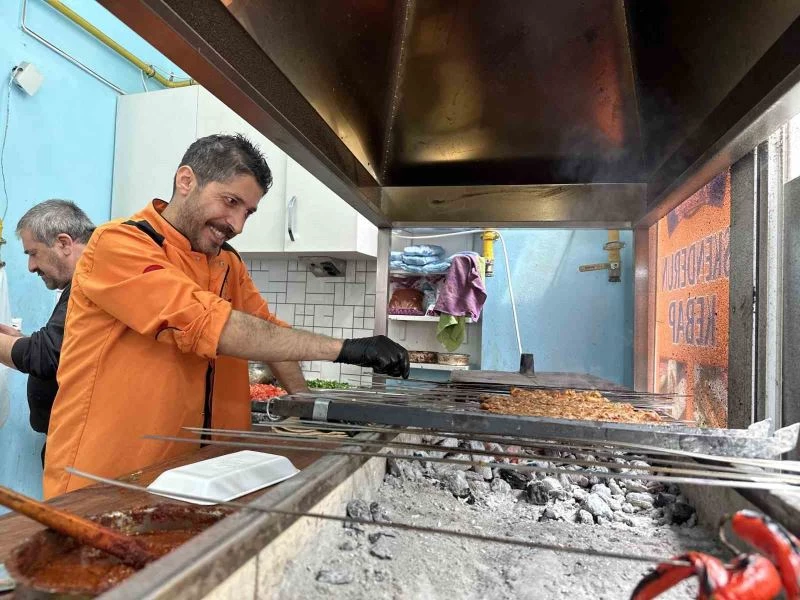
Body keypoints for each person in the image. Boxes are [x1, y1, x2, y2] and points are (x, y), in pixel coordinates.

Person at [44, 134, 408, 498]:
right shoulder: (118, 245)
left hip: (205, 475)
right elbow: (209, 325)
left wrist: (307, 402)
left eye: (247, 211)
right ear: (186, 181)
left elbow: (269, 334)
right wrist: (346, 349)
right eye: (230, 201)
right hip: (107, 477)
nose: (237, 223)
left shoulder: (227, 262)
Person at [0, 200, 94, 465]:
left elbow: (46, 356)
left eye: (33, 253)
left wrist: (26, 346)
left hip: (81, 446)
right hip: (68, 441)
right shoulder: (82, 282)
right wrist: (22, 342)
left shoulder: (92, 282)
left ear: (64, 243)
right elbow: (65, 348)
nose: (30, 266)